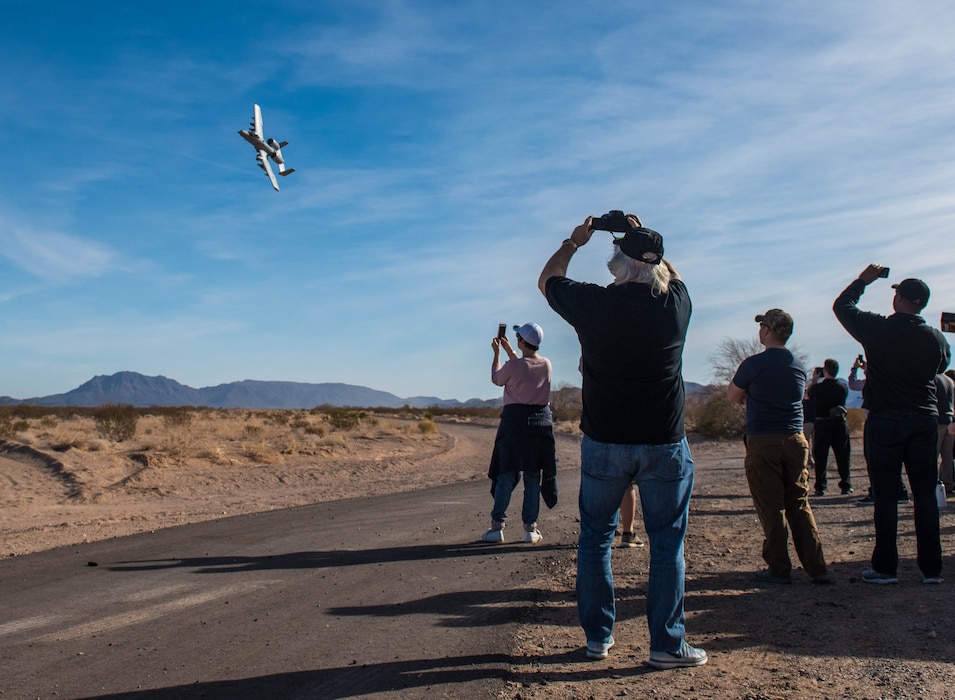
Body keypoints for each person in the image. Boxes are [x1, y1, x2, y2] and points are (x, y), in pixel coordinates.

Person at [539, 213, 706, 670]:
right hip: (664, 443)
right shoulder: (676, 305)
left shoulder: (593, 303)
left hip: (605, 442)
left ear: (616, 262)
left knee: (595, 540)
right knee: (667, 545)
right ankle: (667, 645)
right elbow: (672, 274)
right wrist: (645, 236)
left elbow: (548, 280)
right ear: (658, 266)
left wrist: (575, 242)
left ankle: (598, 639)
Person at [833, 268, 951, 585]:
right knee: (925, 493)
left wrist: (862, 282)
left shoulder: (877, 329)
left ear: (897, 298)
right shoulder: (936, 338)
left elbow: (842, 307)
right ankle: (932, 568)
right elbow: (941, 366)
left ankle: (886, 567)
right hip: (924, 417)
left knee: (886, 494)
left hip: (886, 418)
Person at [727, 309, 832, 585]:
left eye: (762, 325)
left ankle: (778, 566)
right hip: (795, 438)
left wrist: (750, 396)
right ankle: (817, 567)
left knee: (771, 506)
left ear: (768, 330)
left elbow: (732, 395)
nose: (760, 329)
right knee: (799, 502)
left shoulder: (753, 364)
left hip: (763, 439)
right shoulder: (797, 365)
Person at [482, 322, 557, 544]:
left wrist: (497, 354)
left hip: (514, 426)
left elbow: (498, 378)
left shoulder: (514, 367)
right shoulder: (546, 364)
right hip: (539, 426)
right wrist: (510, 352)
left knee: (506, 473)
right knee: (533, 475)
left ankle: (497, 527)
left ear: (522, 341)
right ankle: (530, 528)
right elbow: (525, 366)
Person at [850, 356, 909, 506]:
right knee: (893, 458)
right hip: (894, 420)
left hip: (875, 421)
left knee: (873, 458)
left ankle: (877, 492)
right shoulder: (892, 381)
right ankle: (900, 491)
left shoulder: (870, 382)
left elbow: (853, 384)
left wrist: (855, 369)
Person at [807, 359, 852, 495]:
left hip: (822, 423)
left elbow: (809, 394)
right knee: (843, 455)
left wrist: (814, 380)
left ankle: (821, 486)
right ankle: (846, 484)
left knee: (821, 456)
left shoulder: (819, 388)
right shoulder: (842, 387)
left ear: (825, 371)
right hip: (839, 423)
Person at [935, 372, 954, 494]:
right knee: (948, 455)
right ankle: (948, 483)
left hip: (938, 420)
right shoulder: (950, 381)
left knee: (933, 454)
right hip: (950, 420)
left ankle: (933, 483)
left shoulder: (933, 379)